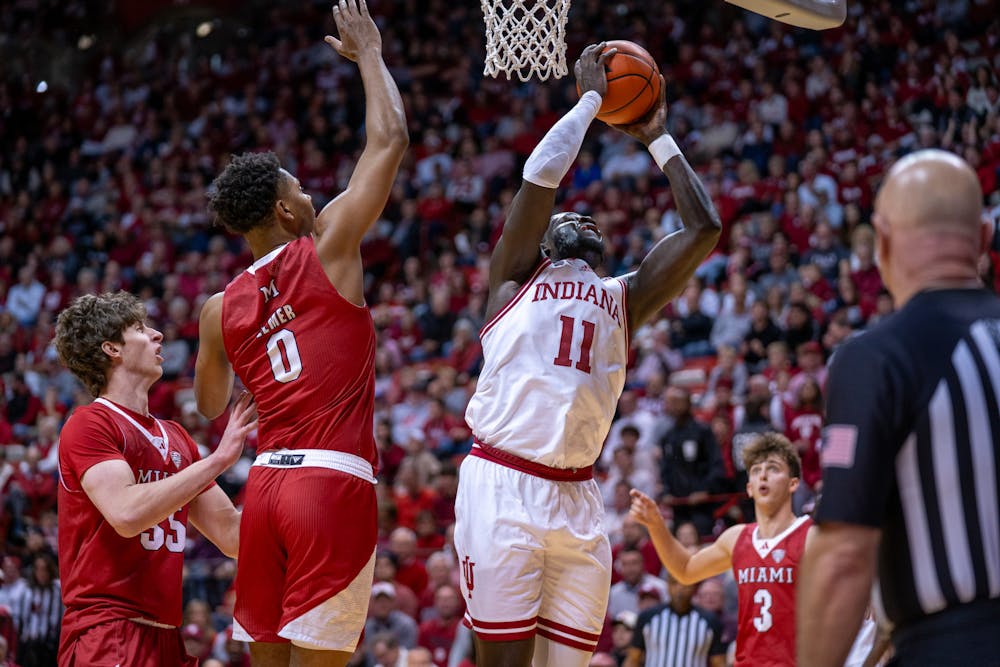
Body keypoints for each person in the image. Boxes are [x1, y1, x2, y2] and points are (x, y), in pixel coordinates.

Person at [453, 43, 721, 667]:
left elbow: (703, 228)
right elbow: (542, 174)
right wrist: (593, 101)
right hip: (503, 483)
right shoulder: (514, 279)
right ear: (544, 240)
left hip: (577, 497)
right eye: (568, 216)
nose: (582, 217)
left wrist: (658, 137)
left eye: (594, 218)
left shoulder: (623, 296)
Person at [192, 0, 408, 664]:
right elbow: (390, 139)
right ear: (287, 211)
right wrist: (369, 52)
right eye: (303, 189)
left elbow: (209, 405)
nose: (315, 194)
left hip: (264, 490)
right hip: (330, 484)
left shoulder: (216, 309)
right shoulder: (329, 245)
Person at [798, 149, 1000, 666]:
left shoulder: (877, 357)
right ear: (982, 239)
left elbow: (844, 556)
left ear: (882, 242)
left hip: (956, 644)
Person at [53, 291, 257, 665]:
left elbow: (232, 535)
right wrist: (220, 460)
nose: (157, 335)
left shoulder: (177, 437)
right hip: (108, 631)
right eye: (140, 329)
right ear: (112, 348)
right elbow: (127, 514)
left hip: (166, 636)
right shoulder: (89, 424)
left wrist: (294, 481)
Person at [629, 433, 813, 666]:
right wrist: (657, 525)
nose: (763, 475)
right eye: (756, 470)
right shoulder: (736, 538)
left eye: (773, 468)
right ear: (749, 488)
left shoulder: (811, 536)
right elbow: (685, 570)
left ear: (793, 483)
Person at [623, 572, 726, 667]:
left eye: (685, 583)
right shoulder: (648, 617)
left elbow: (718, 662)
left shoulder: (710, 621)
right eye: (674, 583)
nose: (680, 589)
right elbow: (633, 659)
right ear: (667, 585)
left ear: (693, 586)